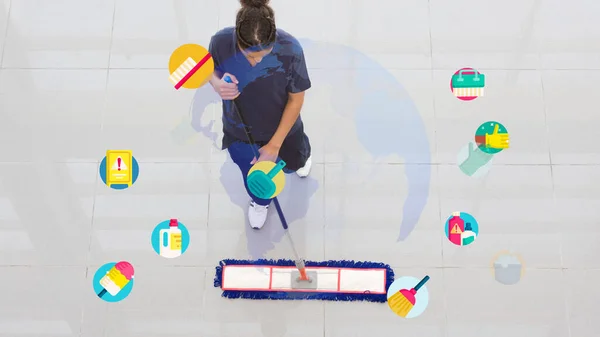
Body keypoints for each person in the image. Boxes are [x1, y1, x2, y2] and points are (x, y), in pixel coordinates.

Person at [208, 0, 313, 229]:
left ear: (274, 40)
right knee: (254, 175)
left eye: (263, 56)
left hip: (283, 127)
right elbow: (210, 69)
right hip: (240, 129)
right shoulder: (220, 42)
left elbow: (296, 99)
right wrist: (217, 83)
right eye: (250, 56)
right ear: (237, 39)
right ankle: (260, 202)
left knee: (296, 160)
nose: (256, 61)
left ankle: (299, 161)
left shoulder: (291, 50)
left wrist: (275, 145)